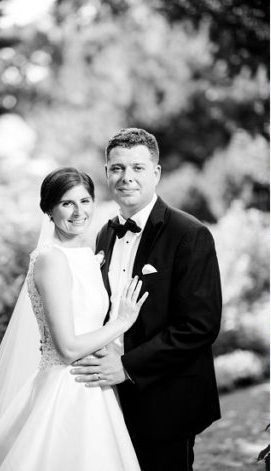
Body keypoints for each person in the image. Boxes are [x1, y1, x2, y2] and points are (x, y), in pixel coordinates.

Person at [0, 167, 147, 470]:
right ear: (48, 209)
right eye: (66, 203)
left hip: (93, 387)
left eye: (85, 201)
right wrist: (122, 323)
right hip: (65, 388)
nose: (78, 211)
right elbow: (68, 348)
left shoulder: (86, 254)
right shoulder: (51, 260)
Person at [69, 127, 223, 471]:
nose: (126, 177)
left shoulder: (190, 234)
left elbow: (200, 326)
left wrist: (125, 366)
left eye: (137, 168)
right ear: (107, 173)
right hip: (108, 398)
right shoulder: (104, 234)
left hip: (166, 398)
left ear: (155, 173)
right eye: (117, 168)